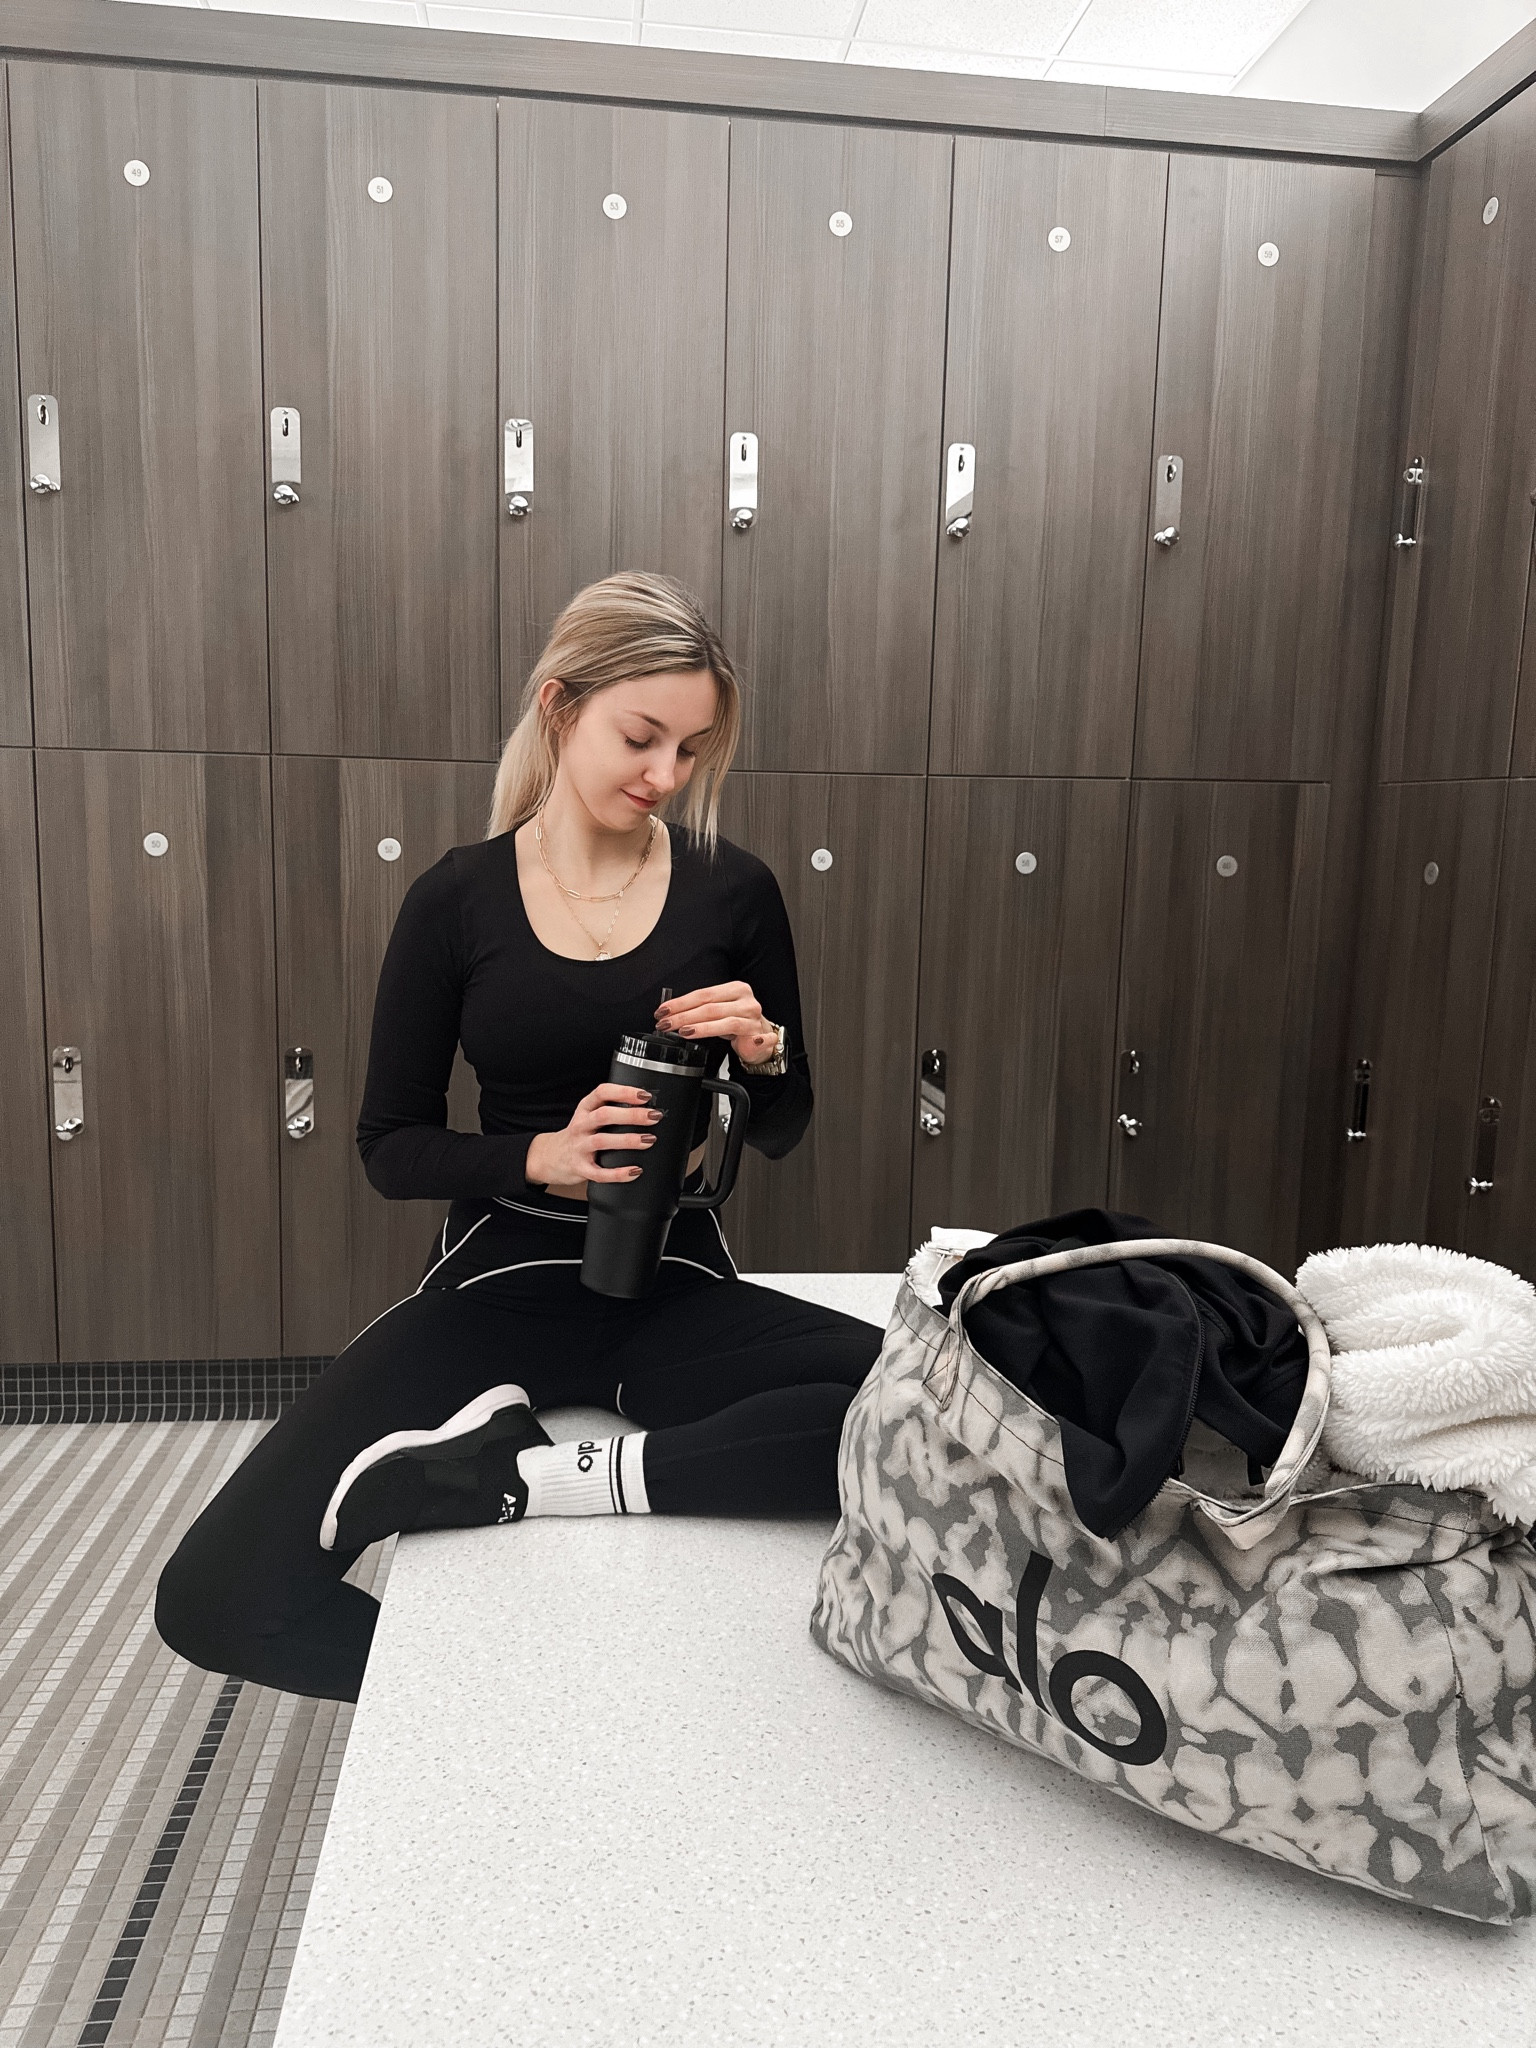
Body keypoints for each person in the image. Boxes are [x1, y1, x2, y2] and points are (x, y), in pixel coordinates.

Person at [155, 572, 882, 1704]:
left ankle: (558, 1477)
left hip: (675, 1279)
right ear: (558, 707)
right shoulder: (458, 900)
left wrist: (766, 1053)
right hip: (501, 1276)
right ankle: (506, 1708)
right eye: (642, 738)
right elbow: (390, 1144)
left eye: (692, 750)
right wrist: (537, 1155)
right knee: (214, 1593)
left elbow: (783, 1127)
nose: (666, 777)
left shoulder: (734, 891)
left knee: (904, 1412)